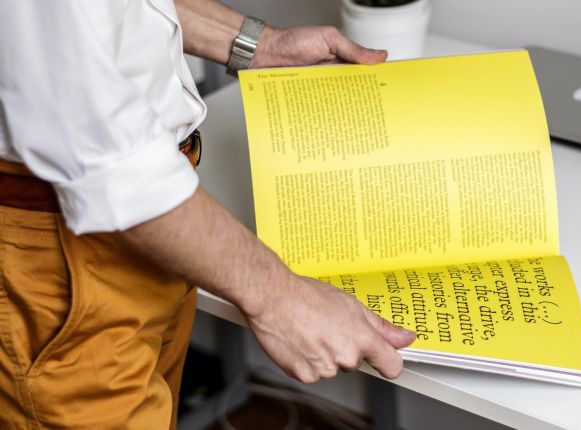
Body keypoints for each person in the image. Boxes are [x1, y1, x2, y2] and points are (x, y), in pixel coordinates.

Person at [0, 0, 416, 428]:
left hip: (167, 219)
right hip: (67, 243)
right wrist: (281, 297)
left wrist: (262, 45)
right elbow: (105, 158)